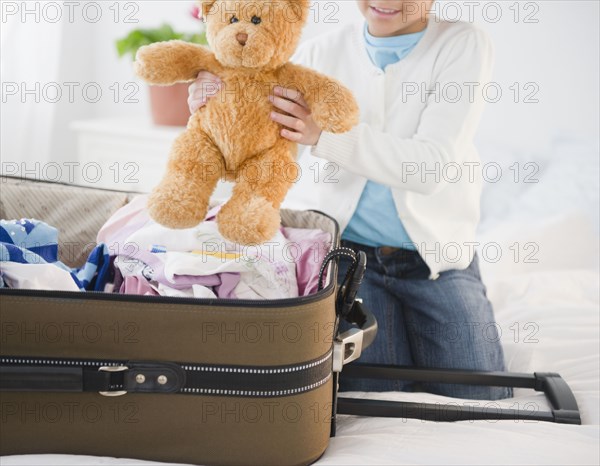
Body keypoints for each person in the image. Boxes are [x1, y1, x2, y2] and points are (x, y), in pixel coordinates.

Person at [188, 0, 511, 399]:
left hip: (435, 261)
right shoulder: (319, 53)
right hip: (353, 261)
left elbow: (430, 168)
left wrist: (324, 135)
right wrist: (212, 112)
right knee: (378, 398)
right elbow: (256, 151)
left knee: (483, 398)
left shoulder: (462, 44)